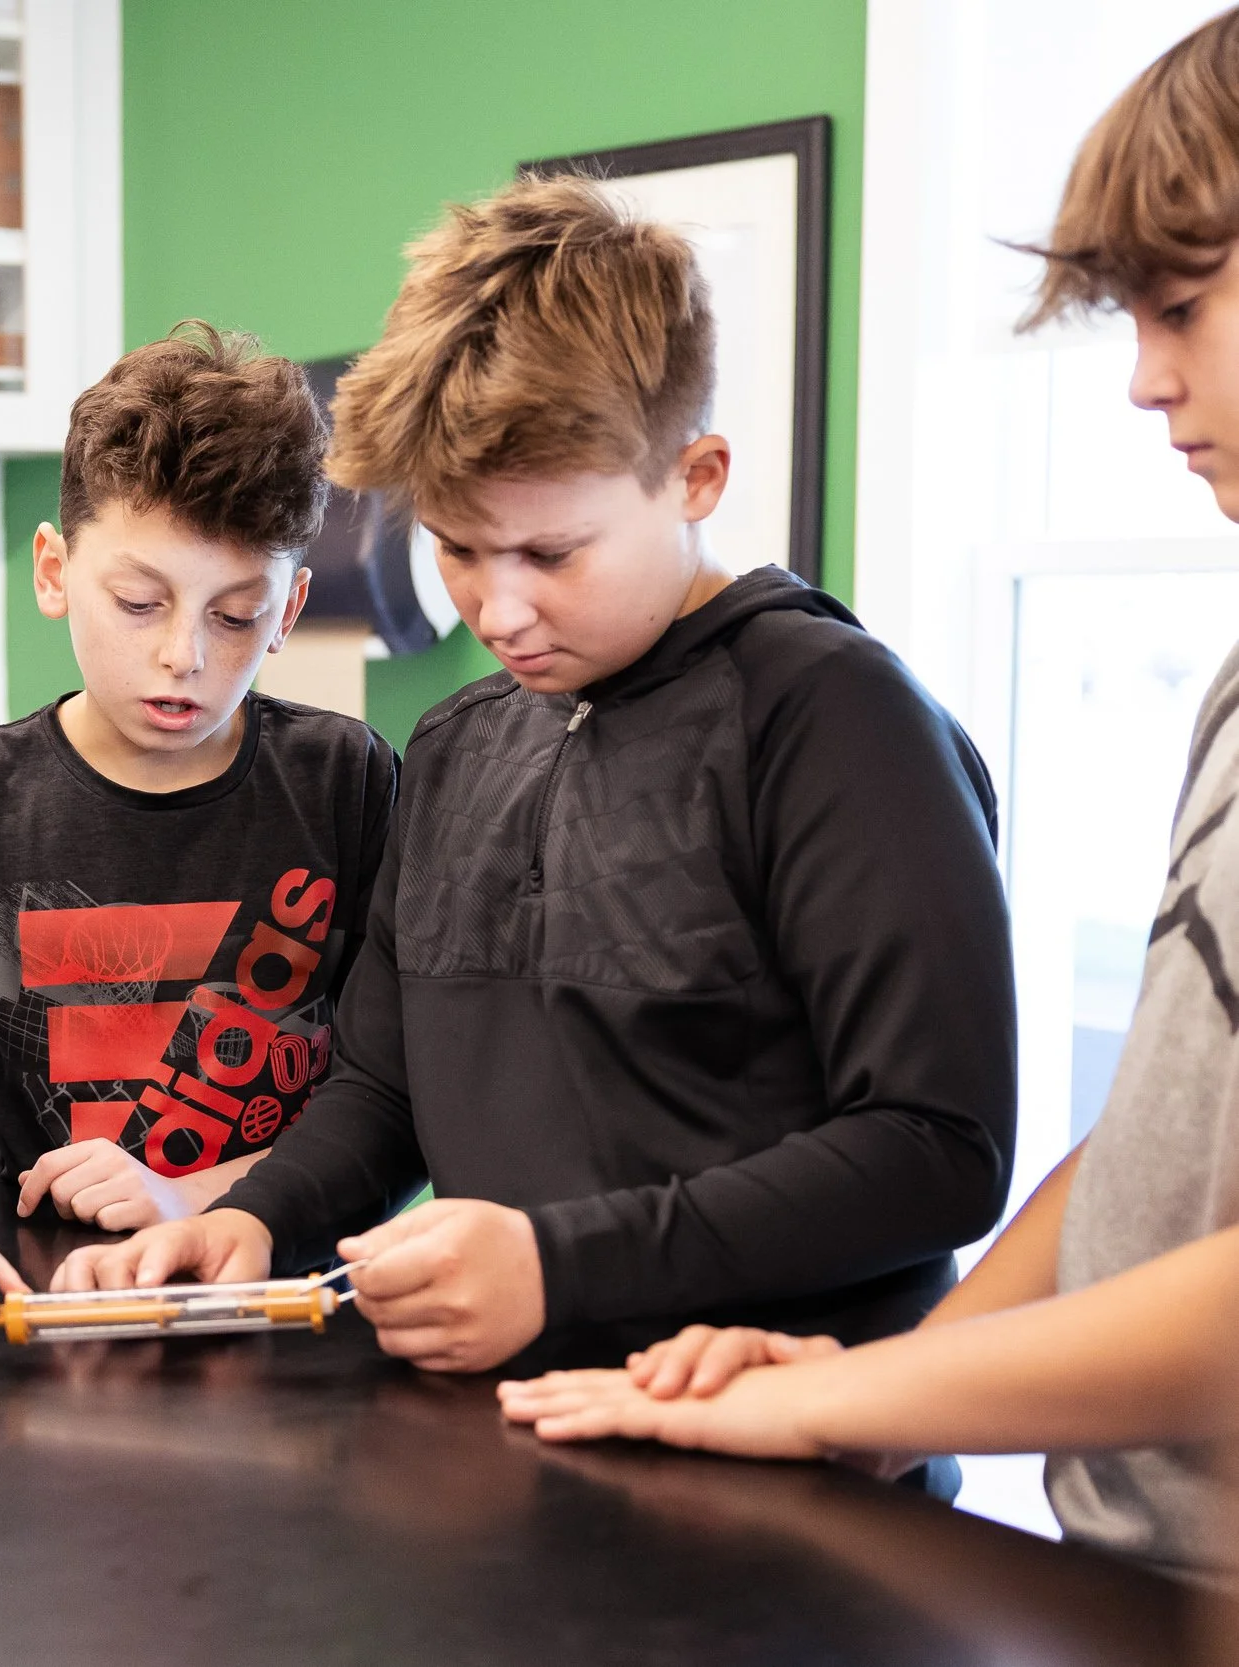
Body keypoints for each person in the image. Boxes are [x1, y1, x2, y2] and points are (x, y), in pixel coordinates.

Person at [58, 177, 1018, 1397]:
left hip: (781, 1454)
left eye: (551, 553)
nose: (497, 608)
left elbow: (938, 1148)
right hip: (498, 1436)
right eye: (456, 546)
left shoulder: (834, 720)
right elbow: (386, 1085)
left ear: (696, 475)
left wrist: (556, 1265)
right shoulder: (458, 742)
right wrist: (256, 1215)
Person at [500, 10, 1239, 1583]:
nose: (1142, 380)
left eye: (1182, 305)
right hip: (1141, 1565)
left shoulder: (827, 705)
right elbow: (1160, 1158)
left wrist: (864, 1379)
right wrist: (869, 1405)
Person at [0, 324, 399, 1291]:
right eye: (140, 601)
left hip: (285, 1296)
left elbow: (395, 1101)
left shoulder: (345, 779)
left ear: (290, 610)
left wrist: (204, 1195)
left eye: (235, 616)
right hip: (49, 1306)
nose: (185, 654)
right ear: (54, 571)